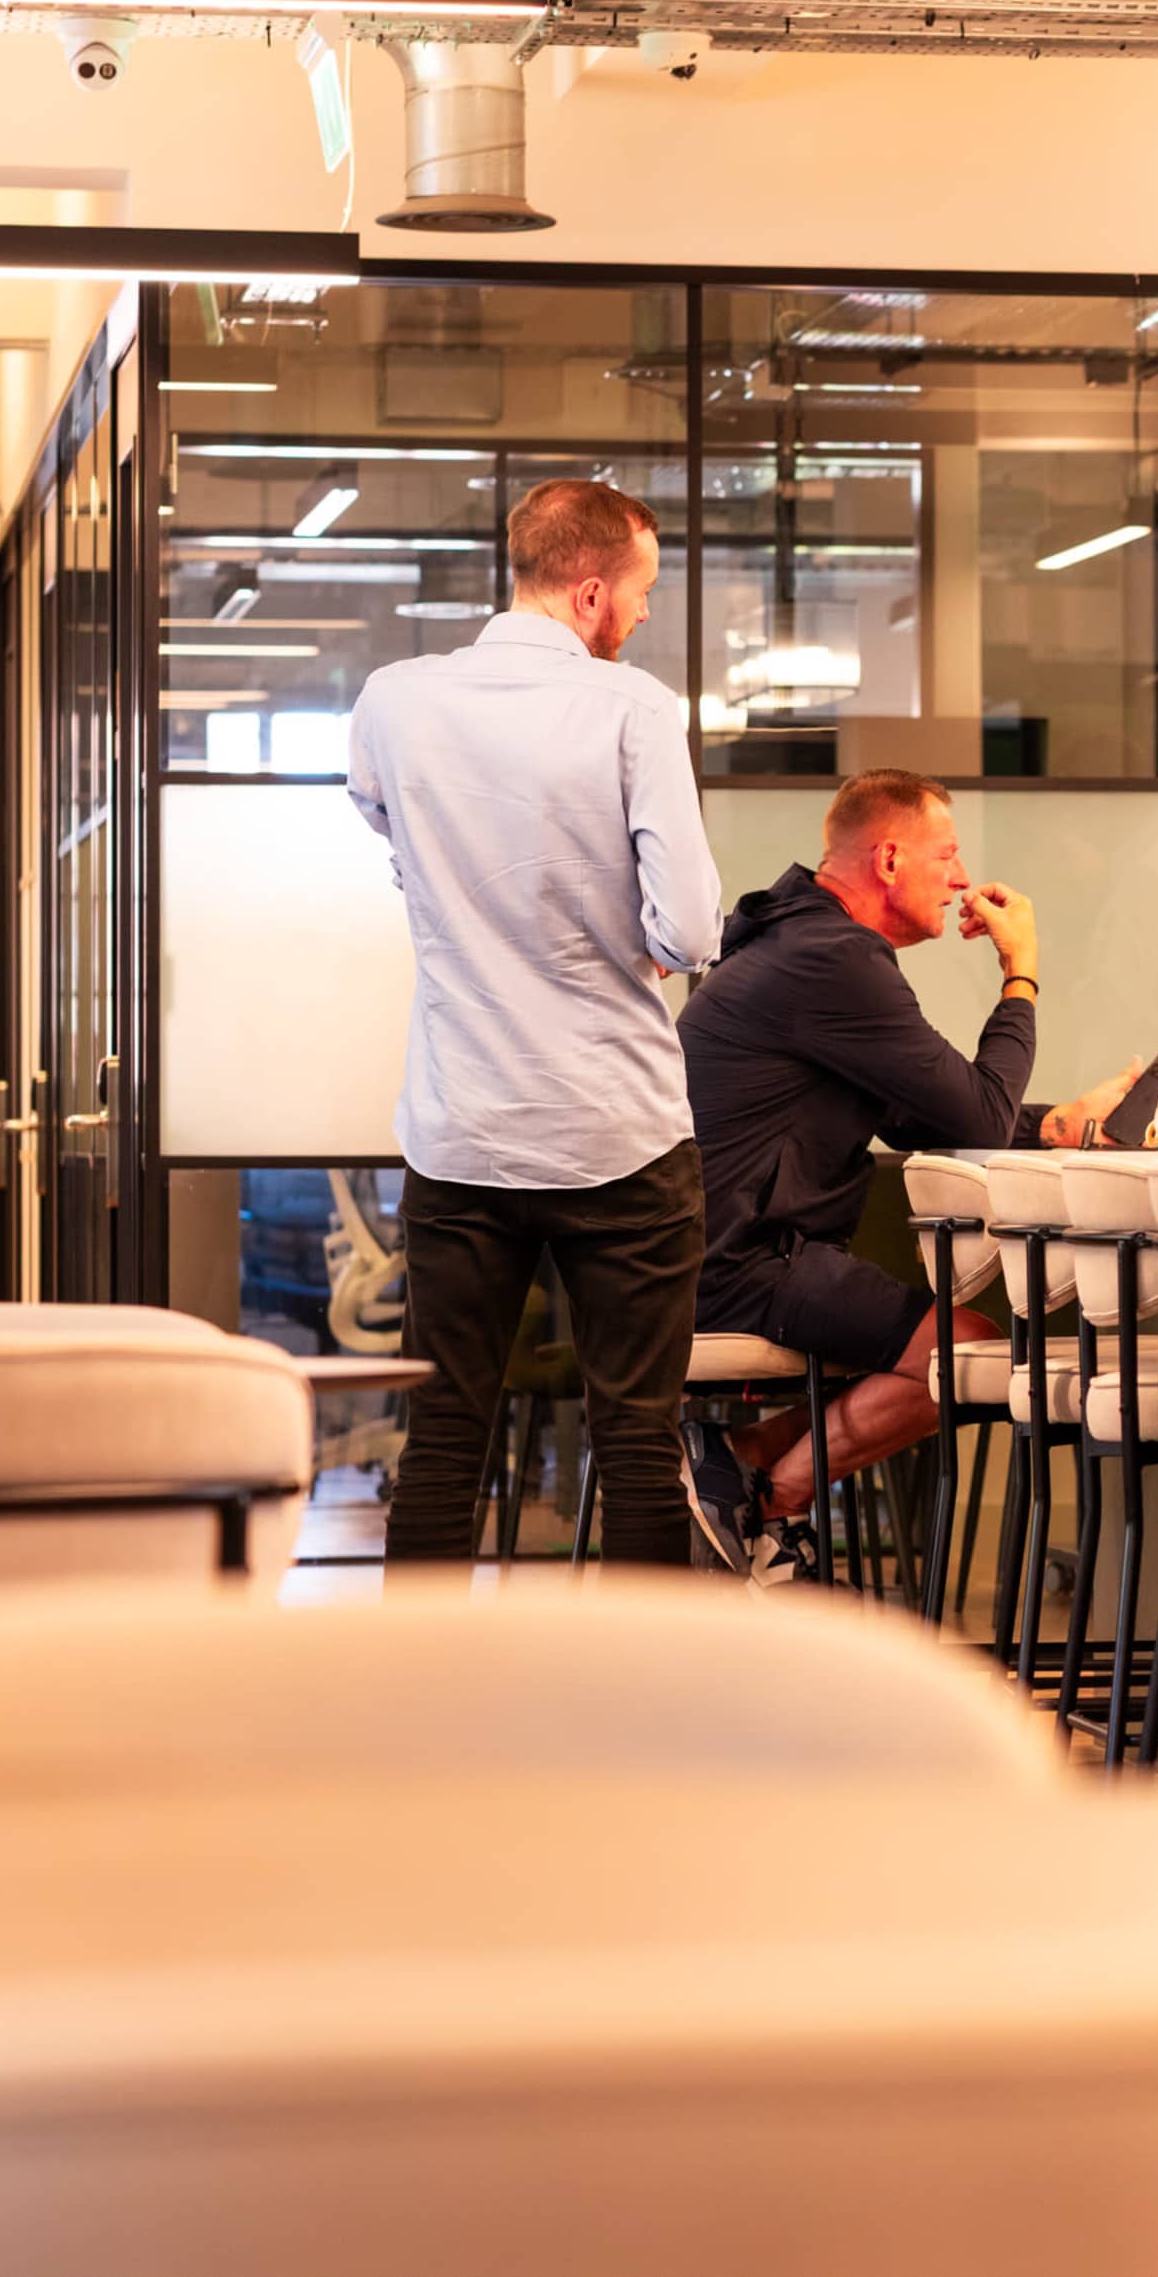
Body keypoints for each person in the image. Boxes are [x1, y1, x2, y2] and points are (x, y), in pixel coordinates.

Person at [345, 476, 721, 1574]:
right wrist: (653, 933)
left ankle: (418, 1703)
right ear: (593, 590)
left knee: (448, 1431)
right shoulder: (632, 709)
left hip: (464, 1129)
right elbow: (690, 925)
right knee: (637, 1436)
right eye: (642, 593)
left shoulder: (396, 699)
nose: (644, 617)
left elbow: (378, 812)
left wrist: (462, 889)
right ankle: (638, 1714)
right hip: (620, 1135)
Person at [679, 768, 1045, 1581]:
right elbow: (977, 1120)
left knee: (955, 1348)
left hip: (717, 1250)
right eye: (947, 855)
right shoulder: (834, 958)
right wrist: (1020, 971)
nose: (959, 879)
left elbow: (926, 1110)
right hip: (740, 1262)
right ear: (888, 860)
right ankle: (769, 1499)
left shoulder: (798, 940)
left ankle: (730, 1466)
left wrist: (1055, 1125)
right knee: (972, 1355)